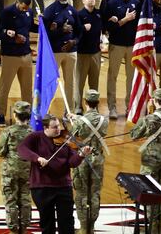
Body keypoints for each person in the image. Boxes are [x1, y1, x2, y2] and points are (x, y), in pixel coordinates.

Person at [18, 114, 93, 234]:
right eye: (54, 127)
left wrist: (81, 155)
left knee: (67, 221)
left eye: (58, 126)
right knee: (47, 222)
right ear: (45, 128)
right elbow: (22, 149)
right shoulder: (35, 137)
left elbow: (72, 163)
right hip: (42, 187)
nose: (58, 129)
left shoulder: (66, 140)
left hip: (63, 186)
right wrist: (37, 158)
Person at [129, 88, 161, 233]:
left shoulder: (148, 119)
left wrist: (145, 117)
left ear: (155, 101)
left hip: (150, 161)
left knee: (150, 194)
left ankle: (151, 225)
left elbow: (134, 135)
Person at [68, 90, 109, 233]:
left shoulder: (79, 121)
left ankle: (84, 227)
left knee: (81, 194)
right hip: (97, 159)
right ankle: (92, 226)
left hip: (82, 159)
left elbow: (73, 138)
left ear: (85, 102)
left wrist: (74, 121)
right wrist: (77, 119)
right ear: (97, 103)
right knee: (95, 193)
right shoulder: (105, 120)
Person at [0, 0, 35, 127]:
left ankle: (27, 114)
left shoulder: (29, 12)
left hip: (26, 55)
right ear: (18, 2)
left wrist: (44, 26)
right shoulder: (7, 12)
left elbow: (31, 26)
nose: (24, 10)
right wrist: (12, 37)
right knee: (5, 87)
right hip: (10, 55)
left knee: (27, 88)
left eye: (26, 8)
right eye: (22, 8)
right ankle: (0, 115)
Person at [103, 0, 139, 119]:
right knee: (113, 76)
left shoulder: (137, 3)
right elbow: (108, 26)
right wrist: (124, 20)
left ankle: (130, 106)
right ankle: (112, 108)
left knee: (131, 77)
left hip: (132, 46)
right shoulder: (112, 3)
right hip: (116, 45)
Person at [42, 0, 81, 111]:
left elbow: (79, 32)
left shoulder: (73, 11)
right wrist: (60, 30)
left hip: (71, 52)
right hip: (55, 52)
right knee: (49, 82)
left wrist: (73, 42)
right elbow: (45, 34)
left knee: (70, 84)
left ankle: (69, 112)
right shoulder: (50, 11)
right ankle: (44, 111)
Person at [0, 101, 32, 234]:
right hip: (27, 171)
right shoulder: (32, 133)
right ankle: (24, 228)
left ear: (15, 115)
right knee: (25, 200)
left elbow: (0, 151)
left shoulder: (8, 131)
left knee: (11, 201)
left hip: (10, 171)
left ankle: (13, 230)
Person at [75, 0, 103, 112]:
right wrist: (82, 28)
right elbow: (75, 32)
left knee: (94, 82)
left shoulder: (99, 14)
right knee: (79, 83)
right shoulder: (79, 15)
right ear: (83, 0)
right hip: (82, 54)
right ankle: (78, 107)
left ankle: (93, 107)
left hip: (96, 53)